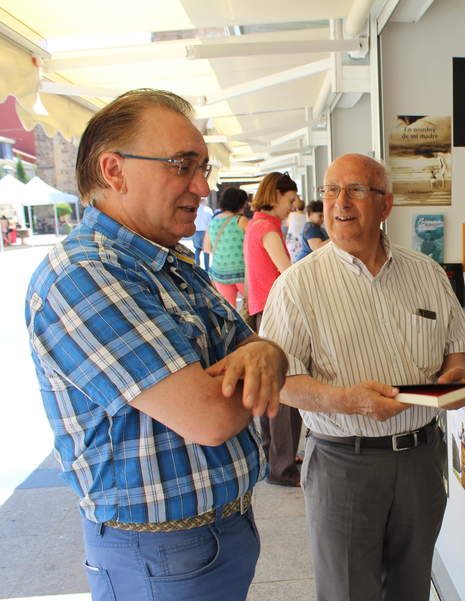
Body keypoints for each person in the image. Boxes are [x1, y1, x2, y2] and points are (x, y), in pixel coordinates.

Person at [25, 88, 288, 601]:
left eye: (204, 167)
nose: (201, 186)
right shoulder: (85, 275)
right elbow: (210, 417)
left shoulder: (170, 261)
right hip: (157, 557)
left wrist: (266, 353)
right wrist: (255, 361)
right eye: (181, 165)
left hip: (215, 534)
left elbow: (257, 350)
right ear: (114, 170)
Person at [260, 153, 465, 601]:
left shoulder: (428, 274)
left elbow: (457, 352)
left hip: (421, 459)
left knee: (410, 588)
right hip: (344, 465)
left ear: (386, 205)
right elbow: (281, 381)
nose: (340, 202)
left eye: (356, 189)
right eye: (331, 190)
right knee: (347, 592)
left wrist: (456, 378)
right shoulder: (297, 286)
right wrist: (348, 401)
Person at [243, 171, 303, 486]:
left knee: (273, 387)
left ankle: (275, 459)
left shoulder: (254, 224)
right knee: (286, 388)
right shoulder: (267, 228)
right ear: (275, 195)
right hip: (275, 312)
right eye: (290, 200)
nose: (293, 207)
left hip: (261, 311)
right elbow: (287, 273)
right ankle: (283, 467)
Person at [205, 187, 249, 307]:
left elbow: (207, 248)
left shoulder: (213, 221)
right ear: (239, 203)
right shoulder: (241, 220)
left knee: (230, 309)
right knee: (252, 308)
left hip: (220, 273)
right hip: (242, 273)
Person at [193, 196, 213, 269]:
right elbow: (211, 222)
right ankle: (207, 268)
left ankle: (196, 266)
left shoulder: (195, 209)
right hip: (205, 231)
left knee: (197, 249)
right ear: (204, 201)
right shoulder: (208, 210)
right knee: (206, 250)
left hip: (195, 231)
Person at [285, 196, 307, 261]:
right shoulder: (306, 217)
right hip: (300, 242)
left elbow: (287, 225)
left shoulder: (291, 215)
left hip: (291, 241)